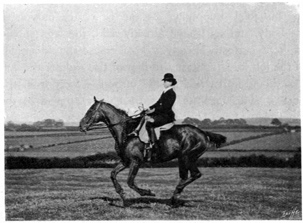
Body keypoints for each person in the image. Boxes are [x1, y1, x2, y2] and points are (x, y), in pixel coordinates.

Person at [129, 73, 177, 161]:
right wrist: (149, 108)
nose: (164, 83)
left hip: (166, 116)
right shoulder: (165, 92)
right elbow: (158, 103)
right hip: (161, 114)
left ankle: (153, 145)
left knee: (149, 124)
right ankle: (137, 132)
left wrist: (154, 111)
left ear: (170, 82)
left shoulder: (171, 93)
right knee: (144, 117)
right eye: (164, 81)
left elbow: (166, 107)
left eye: (166, 81)